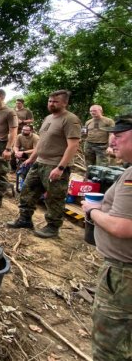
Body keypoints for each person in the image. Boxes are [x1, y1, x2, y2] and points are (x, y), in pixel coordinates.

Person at [81, 115, 132, 361]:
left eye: (119, 137)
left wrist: (93, 211)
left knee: (108, 346)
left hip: (124, 275)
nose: (113, 143)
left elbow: (123, 227)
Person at [6, 90, 81, 238]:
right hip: (39, 162)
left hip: (55, 165)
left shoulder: (70, 119)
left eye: (55, 101)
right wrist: (31, 159)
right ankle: (25, 219)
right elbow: (41, 142)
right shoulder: (48, 118)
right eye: (50, 101)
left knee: (54, 197)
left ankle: (53, 227)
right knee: (27, 191)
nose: (51, 104)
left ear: (65, 103)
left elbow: (73, 146)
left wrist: (61, 167)